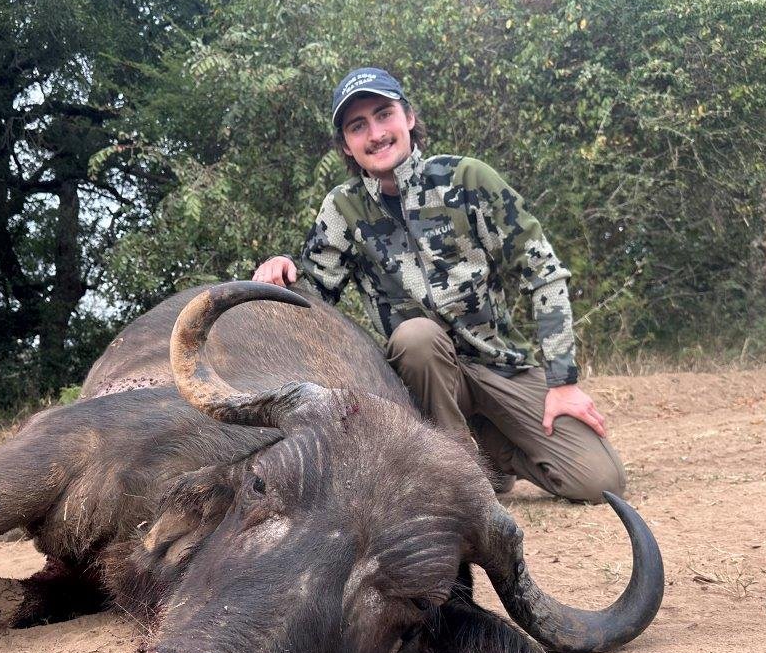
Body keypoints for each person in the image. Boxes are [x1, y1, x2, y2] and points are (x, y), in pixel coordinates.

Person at [252, 67, 624, 503]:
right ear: (347, 145)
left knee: (600, 482)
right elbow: (315, 301)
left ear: (408, 117)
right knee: (415, 338)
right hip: (419, 381)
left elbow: (543, 272)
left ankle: (492, 453)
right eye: (358, 126)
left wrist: (563, 381)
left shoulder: (468, 179)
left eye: (383, 114)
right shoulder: (341, 208)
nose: (375, 133)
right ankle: (461, 479)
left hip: (499, 364)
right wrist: (284, 271)